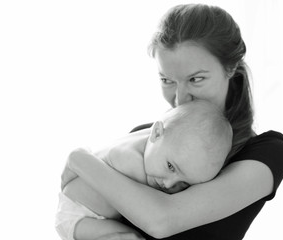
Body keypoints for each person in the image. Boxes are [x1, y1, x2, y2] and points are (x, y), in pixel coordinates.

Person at [61, 3, 283, 240]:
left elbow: (161, 221)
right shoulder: (145, 136)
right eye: (167, 80)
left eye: (196, 79)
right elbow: (79, 207)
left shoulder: (265, 152)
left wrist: (78, 159)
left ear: (230, 67)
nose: (180, 98)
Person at [56, 100, 232, 240]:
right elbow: (157, 212)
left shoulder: (154, 140)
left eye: (184, 183)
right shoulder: (131, 163)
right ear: (156, 132)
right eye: (170, 166)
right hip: (77, 215)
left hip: (82, 207)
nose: (169, 184)